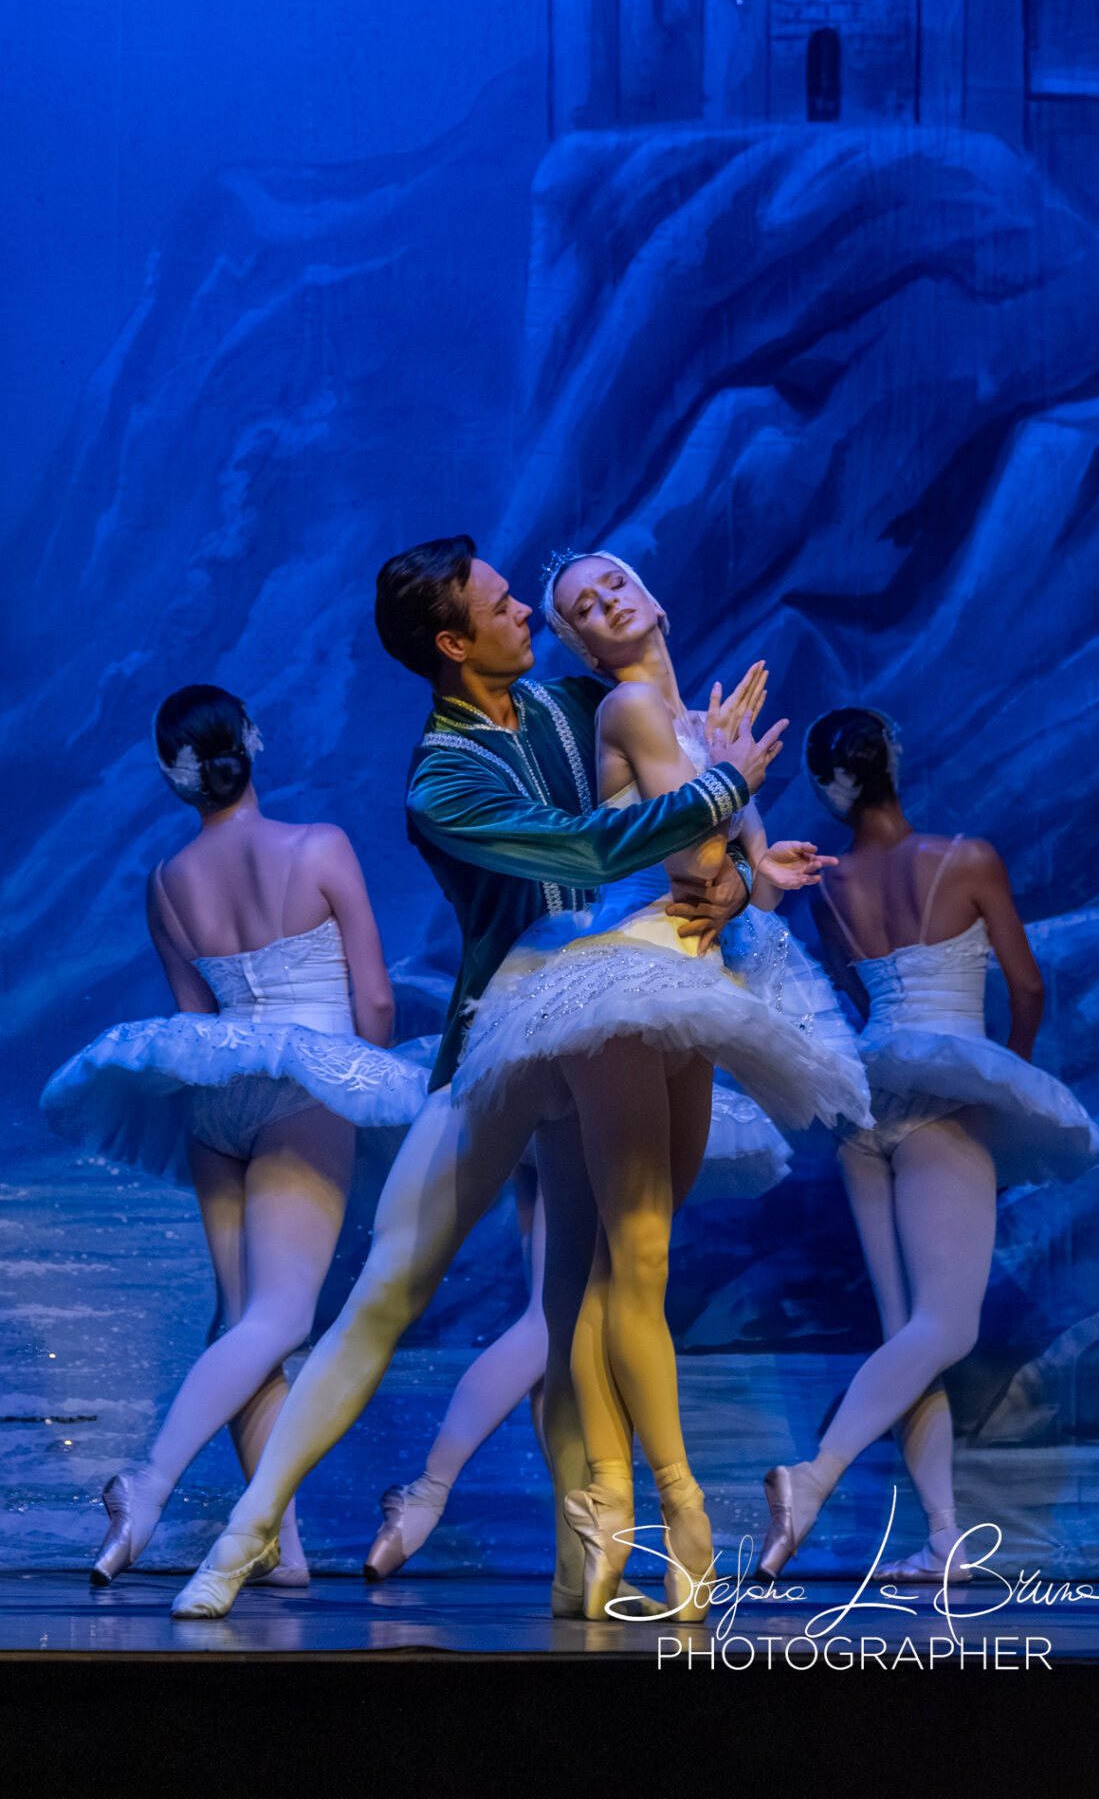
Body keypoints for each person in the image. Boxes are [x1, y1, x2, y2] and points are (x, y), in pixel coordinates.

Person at [171, 535, 777, 1620]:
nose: (527, 614)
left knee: (572, 1303)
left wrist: (732, 875)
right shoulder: (440, 779)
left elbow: (672, 796)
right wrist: (725, 783)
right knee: (387, 1291)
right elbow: (587, 849)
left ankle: (582, 1567)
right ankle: (245, 1529)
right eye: (504, 606)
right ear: (453, 644)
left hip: (604, 1024)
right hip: (504, 1029)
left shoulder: (565, 705)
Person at [449, 550, 871, 1619]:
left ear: (655, 597)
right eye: (582, 606)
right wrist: (733, 802)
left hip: (689, 988)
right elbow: (692, 867)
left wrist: (757, 863)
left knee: (614, 1275)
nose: (606, 602)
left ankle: (601, 1517)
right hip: (623, 984)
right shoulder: (633, 708)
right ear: (583, 645)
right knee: (634, 1262)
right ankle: (680, 1511)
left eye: (615, 584)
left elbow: (740, 895)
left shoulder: (691, 724)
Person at [40, 686, 425, 1588]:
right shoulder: (319, 846)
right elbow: (373, 999)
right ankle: (147, 1484)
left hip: (215, 1098)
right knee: (278, 1319)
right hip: (305, 1089)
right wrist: (366, 1087)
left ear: (174, 776)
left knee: (243, 1319)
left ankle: (278, 1548)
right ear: (251, 745)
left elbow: (195, 1019)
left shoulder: (166, 882)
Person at [755, 706, 1099, 1585]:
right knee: (945, 1327)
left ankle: (944, 1534)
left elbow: (860, 1001)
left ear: (829, 787)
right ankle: (813, 1477)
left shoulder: (828, 888)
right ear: (894, 760)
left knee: (905, 1334)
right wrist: (1006, 1083)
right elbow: (1026, 987)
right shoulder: (967, 857)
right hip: (946, 1098)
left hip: (866, 1103)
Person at [363, 1092, 790, 1581]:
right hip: (581, 1091)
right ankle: (427, 1494)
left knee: (555, 1335)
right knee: (550, 1325)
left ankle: (584, 1554)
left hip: (532, 1087)